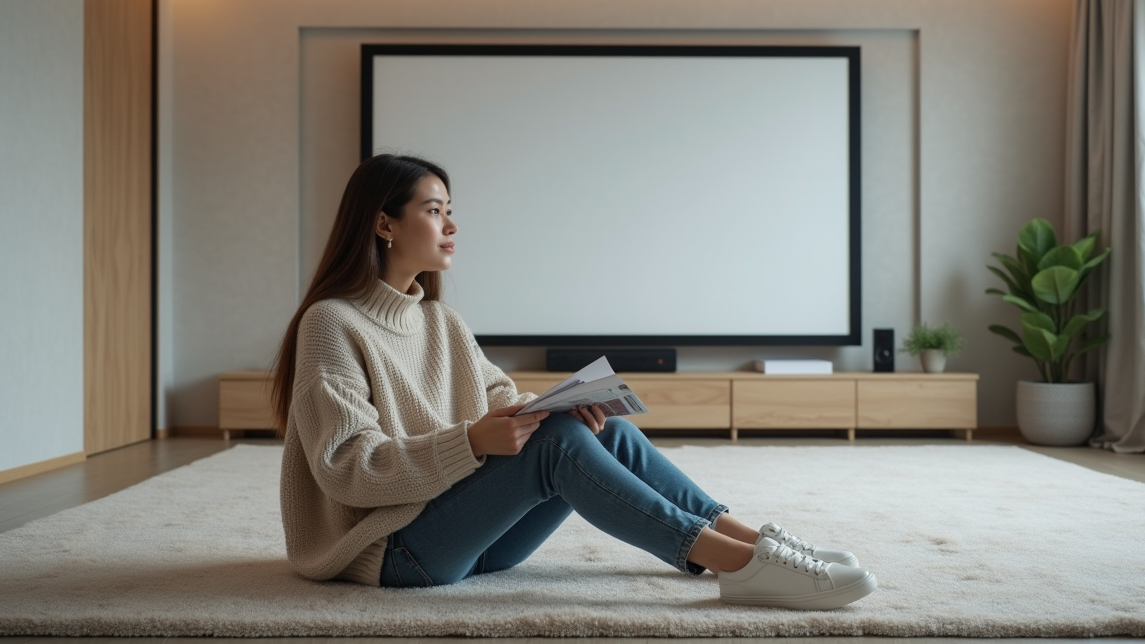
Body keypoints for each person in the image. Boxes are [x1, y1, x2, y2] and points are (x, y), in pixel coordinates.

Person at [271, 153, 877, 611]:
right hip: (395, 552)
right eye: (434, 211)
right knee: (555, 444)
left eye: (451, 211)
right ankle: (740, 567)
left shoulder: (439, 319)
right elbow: (346, 468)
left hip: (477, 540)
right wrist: (474, 443)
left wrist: (555, 406)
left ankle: (750, 541)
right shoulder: (332, 323)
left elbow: (502, 400)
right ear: (384, 224)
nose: (451, 225)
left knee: (586, 426)